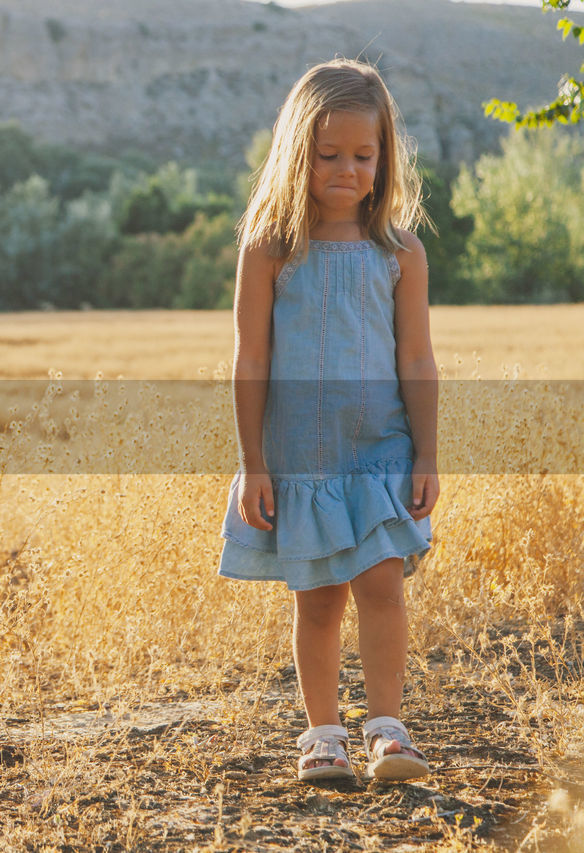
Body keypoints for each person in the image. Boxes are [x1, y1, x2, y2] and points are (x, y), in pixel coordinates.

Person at [218, 58, 439, 783]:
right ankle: (323, 736)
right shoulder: (271, 248)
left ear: (384, 158)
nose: (347, 169)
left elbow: (417, 360)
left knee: (382, 586)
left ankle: (388, 730)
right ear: (298, 154)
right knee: (318, 603)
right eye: (328, 155)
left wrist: (427, 455)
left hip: (380, 452)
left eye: (363, 156)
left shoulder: (400, 252)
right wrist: (254, 462)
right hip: (300, 457)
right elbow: (250, 359)